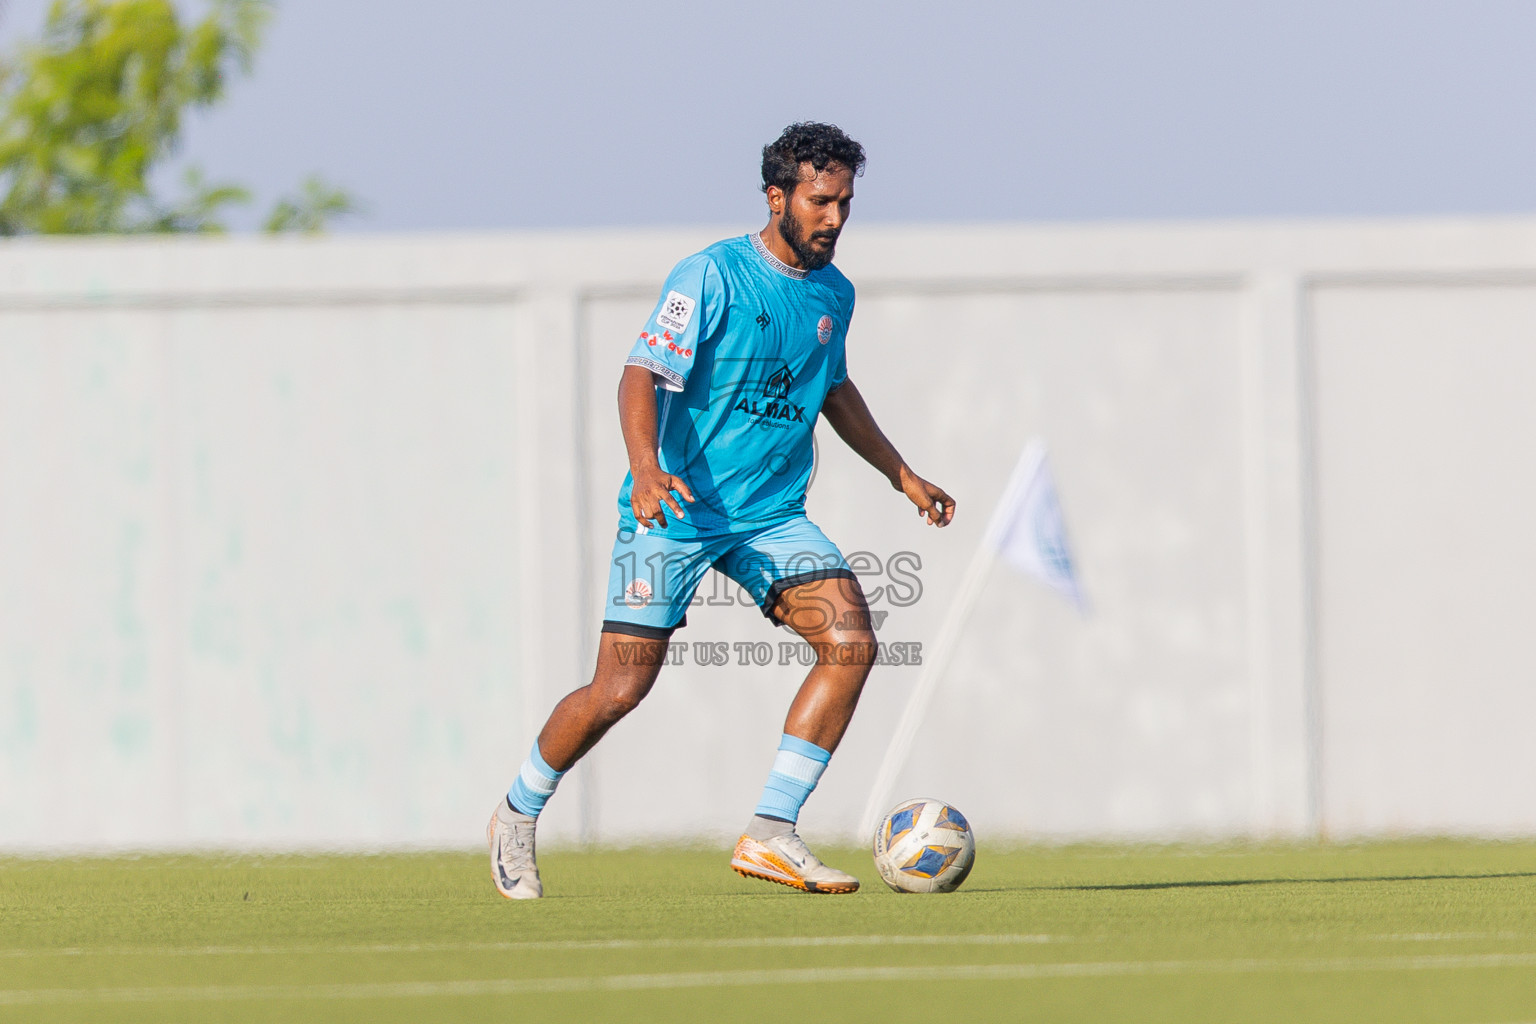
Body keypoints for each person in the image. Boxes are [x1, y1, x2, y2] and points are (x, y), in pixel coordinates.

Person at [488, 122, 955, 898]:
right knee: (619, 691)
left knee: (852, 641)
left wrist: (900, 473)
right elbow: (640, 374)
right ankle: (517, 811)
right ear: (777, 197)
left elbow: (833, 389)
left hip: (769, 517)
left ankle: (771, 832)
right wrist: (645, 469)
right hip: (670, 511)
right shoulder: (710, 275)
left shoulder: (834, 293)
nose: (835, 218)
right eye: (819, 200)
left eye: (844, 202)